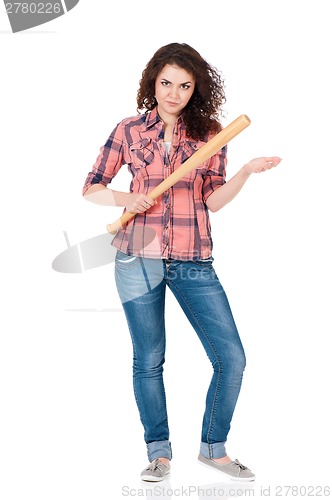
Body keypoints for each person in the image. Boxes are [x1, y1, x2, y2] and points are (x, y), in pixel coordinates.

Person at [82, 42, 281, 482]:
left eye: (185, 85)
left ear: (196, 89)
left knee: (232, 358)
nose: (173, 93)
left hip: (193, 259)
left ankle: (213, 447)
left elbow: (214, 199)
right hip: (137, 257)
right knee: (149, 359)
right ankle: (159, 454)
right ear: (153, 80)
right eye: (167, 82)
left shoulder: (211, 133)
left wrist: (244, 172)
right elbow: (92, 186)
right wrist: (125, 197)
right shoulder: (130, 130)